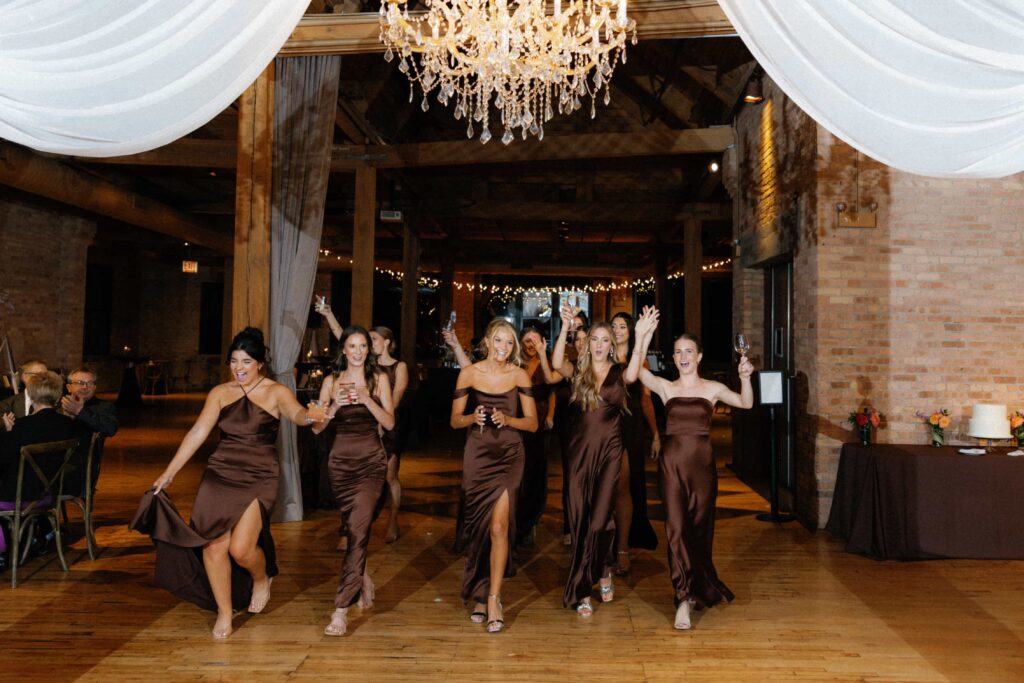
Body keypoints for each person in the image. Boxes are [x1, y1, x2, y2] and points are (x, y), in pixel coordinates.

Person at [147, 328, 326, 640]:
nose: (239, 367)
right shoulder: (220, 392)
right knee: (214, 545)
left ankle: (261, 577)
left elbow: (297, 415)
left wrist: (311, 416)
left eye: (245, 361)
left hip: (259, 475)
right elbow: (198, 433)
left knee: (241, 549)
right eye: (233, 361)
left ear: (259, 363)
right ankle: (225, 612)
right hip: (220, 473)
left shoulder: (276, 391)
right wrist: (169, 472)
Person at [626, 307, 754, 630]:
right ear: (673, 357)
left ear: (699, 357)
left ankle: (698, 587)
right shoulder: (666, 388)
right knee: (676, 530)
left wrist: (745, 378)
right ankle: (682, 597)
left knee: (699, 530)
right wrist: (641, 338)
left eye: (689, 352)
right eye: (678, 352)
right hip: (671, 468)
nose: (683, 357)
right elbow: (636, 374)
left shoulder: (711, 389)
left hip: (703, 470)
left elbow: (746, 403)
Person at [450, 318, 537, 633]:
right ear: (487, 341)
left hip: (510, 455)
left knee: (499, 527)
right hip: (478, 454)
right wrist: (472, 416)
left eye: (509, 342)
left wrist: (509, 420)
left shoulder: (519, 374)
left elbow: (533, 423)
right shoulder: (469, 373)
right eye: (499, 340)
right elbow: (454, 421)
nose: (504, 348)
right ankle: (479, 591)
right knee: (480, 527)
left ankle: (494, 598)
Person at [315, 325, 395, 637]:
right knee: (353, 531)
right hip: (340, 465)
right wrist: (335, 405)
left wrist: (366, 398)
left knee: (358, 532)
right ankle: (363, 579)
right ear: (344, 350)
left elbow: (389, 422)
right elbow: (317, 429)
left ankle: (340, 610)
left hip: (371, 464)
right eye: (353, 346)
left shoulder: (379, 379)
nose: (359, 351)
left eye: (363, 345)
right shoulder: (331, 381)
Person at [551, 308, 622, 617]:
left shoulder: (620, 374)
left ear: (612, 346)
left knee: (601, 519)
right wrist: (565, 325)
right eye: (594, 339)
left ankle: (603, 567)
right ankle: (583, 589)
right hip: (579, 453)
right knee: (581, 520)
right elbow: (554, 364)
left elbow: (635, 373)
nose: (598, 344)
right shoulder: (578, 372)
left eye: (605, 340)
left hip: (609, 453)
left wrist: (643, 336)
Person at [0, 371, 75, 561]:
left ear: (31, 395)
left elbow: (3, 459)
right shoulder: (69, 425)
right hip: (47, 494)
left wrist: (8, 433)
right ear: (59, 396)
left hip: (18, 497)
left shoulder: (22, 426)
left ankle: (1, 551)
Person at [610, 311, 660, 573]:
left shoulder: (638, 361)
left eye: (621, 326)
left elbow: (646, 399)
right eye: (614, 326)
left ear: (630, 331)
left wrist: (655, 434)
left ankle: (626, 542)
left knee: (627, 484)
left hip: (630, 425)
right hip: (606, 423)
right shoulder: (602, 355)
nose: (617, 330)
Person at [515, 327, 558, 547]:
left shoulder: (547, 363)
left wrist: (550, 416)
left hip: (540, 422)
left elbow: (552, 392)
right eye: (526, 341)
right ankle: (518, 519)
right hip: (519, 420)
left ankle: (532, 517)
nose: (530, 345)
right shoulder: (515, 363)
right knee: (519, 472)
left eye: (534, 341)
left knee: (536, 471)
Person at [369, 326, 408, 544]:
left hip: (390, 425)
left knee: (389, 476)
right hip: (368, 425)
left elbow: (397, 396)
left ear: (386, 342)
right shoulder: (368, 366)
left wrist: (383, 422)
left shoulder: (399, 366)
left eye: (373, 338)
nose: (370, 342)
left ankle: (393, 520)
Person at [60, 366, 118, 497]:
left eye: (89, 383)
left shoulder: (104, 407)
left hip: (80, 470)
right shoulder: (58, 406)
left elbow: (110, 429)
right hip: (54, 463)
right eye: (80, 383)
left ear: (95, 387)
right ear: (69, 387)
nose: (85, 387)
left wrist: (80, 412)